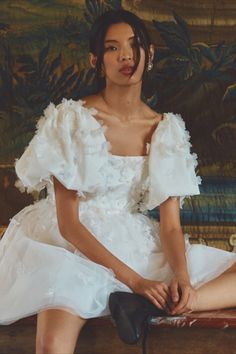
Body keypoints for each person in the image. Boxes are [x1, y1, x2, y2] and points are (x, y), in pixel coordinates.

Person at [0, 9, 235, 354]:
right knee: (52, 346)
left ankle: (152, 305)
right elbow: (69, 224)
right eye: (112, 48)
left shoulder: (165, 128)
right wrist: (136, 281)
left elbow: (170, 226)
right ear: (96, 60)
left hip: (133, 238)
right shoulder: (73, 119)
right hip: (70, 246)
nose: (126, 55)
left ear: (149, 55)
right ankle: (141, 297)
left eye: (134, 44)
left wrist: (181, 278)